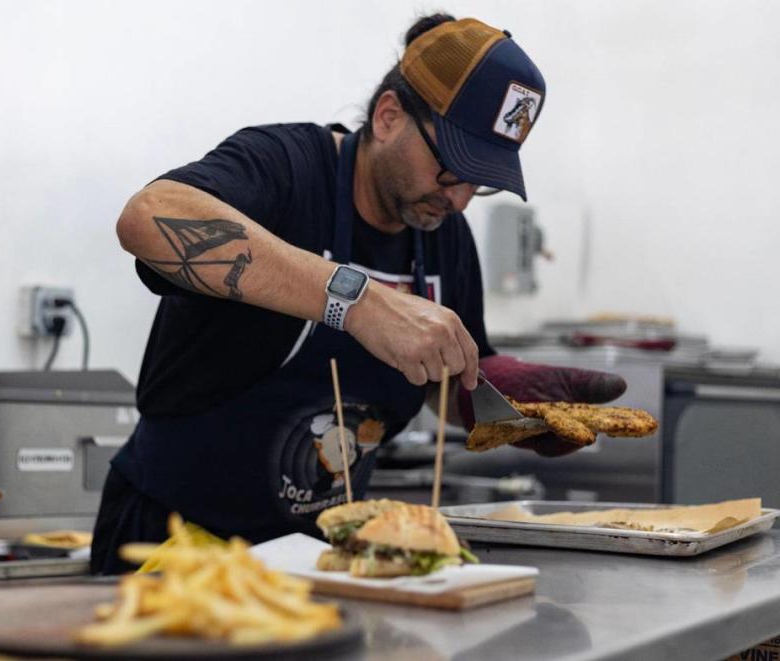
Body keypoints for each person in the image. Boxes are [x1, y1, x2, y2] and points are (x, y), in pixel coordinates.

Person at [91, 14, 626, 574]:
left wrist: (503, 400)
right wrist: (359, 300)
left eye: (480, 181)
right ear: (389, 116)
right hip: (176, 546)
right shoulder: (288, 169)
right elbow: (148, 218)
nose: (460, 200)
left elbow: (440, 381)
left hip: (324, 558)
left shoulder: (445, 239)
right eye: (451, 170)